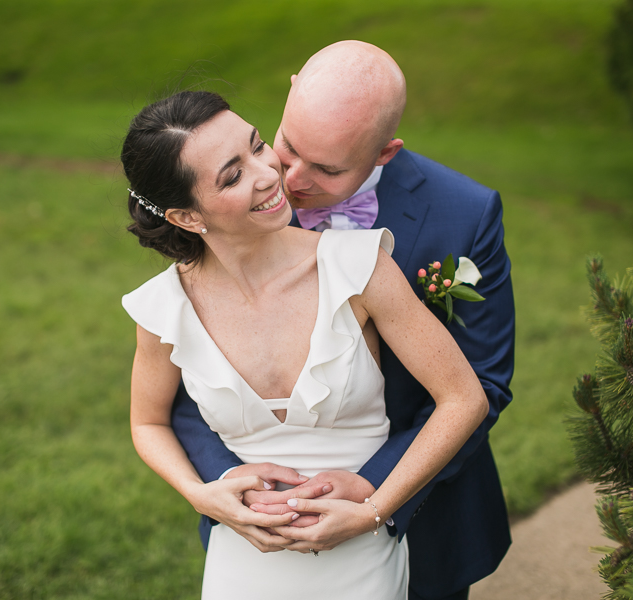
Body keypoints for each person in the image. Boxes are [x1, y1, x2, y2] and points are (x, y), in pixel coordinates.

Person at [171, 41, 515, 600]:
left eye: (328, 169)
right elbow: (190, 364)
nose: (290, 179)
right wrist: (227, 481)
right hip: (261, 526)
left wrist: (376, 491)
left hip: (421, 510)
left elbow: (484, 383)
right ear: (289, 93)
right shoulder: (232, 199)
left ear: (386, 152)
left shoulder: (465, 216)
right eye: (287, 146)